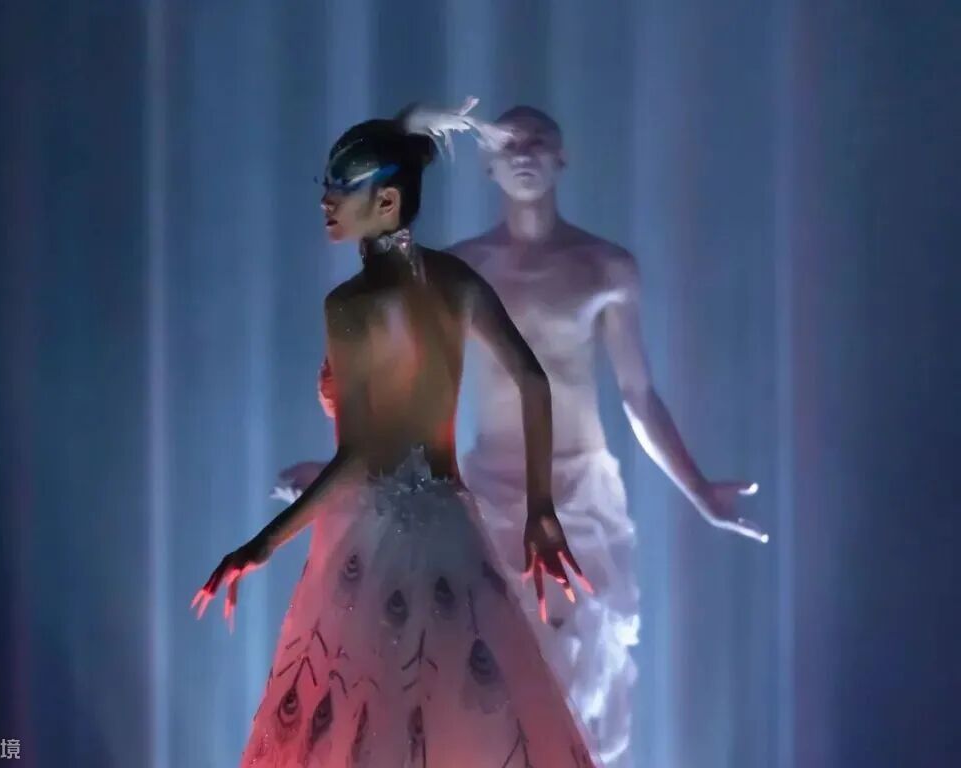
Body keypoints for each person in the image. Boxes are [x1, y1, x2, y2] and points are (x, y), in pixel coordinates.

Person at [283, 105, 767, 767]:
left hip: (583, 494)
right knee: (488, 673)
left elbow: (638, 396)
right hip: (489, 491)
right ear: (488, 166)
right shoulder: (460, 269)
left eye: (538, 140)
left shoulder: (606, 268)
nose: (524, 151)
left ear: (561, 159)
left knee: (585, 670)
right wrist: (336, 474)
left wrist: (700, 491)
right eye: (509, 142)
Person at [195, 100, 601, 767]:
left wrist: (261, 544)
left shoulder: (352, 306)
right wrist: (540, 508)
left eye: (341, 189)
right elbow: (533, 381)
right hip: (452, 533)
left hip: (372, 543)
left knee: (370, 722)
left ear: (386, 202)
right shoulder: (454, 280)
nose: (326, 201)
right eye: (327, 185)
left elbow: (362, 456)